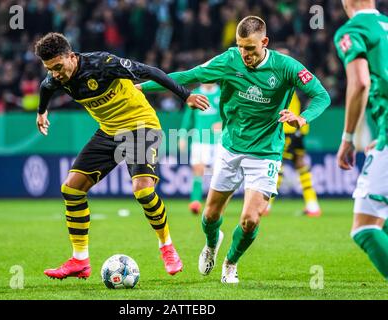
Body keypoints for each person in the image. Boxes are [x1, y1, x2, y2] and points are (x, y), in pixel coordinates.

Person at [138, 16, 331, 283]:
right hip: (230, 149)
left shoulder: (286, 67)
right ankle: (212, 242)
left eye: (250, 48)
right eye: (240, 47)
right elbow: (186, 76)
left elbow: (322, 95)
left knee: (251, 219)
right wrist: (142, 87)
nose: (245, 54)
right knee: (209, 216)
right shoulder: (229, 61)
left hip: (265, 152)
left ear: (264, 42)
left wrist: (304, 117)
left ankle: (230, 262)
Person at [34, 32, 209, 279]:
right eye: (50, 69)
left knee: (143, 190)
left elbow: (151, 72)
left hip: (141, 126)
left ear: (71, 56)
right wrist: (42, 112)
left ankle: (167, 247)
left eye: (58, 67)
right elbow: (45, 87)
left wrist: (186, 95)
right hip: (109, 132)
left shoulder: (103, 64)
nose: (55, 73)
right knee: (71, 189)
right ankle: (80, 261)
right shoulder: (57, 76)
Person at [334, 0, 388, 280]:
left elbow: (361, 83)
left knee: (364, 227)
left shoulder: (353, 29)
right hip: (384, 134)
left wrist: (348, 138)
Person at [264, 47, 321, 217]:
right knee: (300, 163)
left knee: (278, 165)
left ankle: (266, 205)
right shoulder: (294, 77)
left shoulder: (287, 77)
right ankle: (312, 204)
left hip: (289, 128)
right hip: (299, 128)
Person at [179, 83, 222, 215]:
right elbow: (188, 117)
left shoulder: (222, 93)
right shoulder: (195, 94)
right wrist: (182, 136)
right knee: (198, 169)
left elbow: (231, 113)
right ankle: (195, 202)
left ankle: (215, 204)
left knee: (218, 173)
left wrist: (223, 123)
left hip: (218, 140)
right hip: (199, 139)